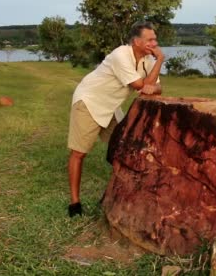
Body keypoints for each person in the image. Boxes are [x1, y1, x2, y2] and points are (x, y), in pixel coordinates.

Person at [67, 21, 163, 217]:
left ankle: (123, 191)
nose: (155, 43)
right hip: (89, 101)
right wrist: (160, 60)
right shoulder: (121, 54)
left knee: (124, 146)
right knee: (79, 153)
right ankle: (75, 203)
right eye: (150, 39)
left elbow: (156, 88)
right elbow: (140, 86)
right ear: (136, 41)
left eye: (155, 39)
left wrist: (152, 81)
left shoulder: (147, 60)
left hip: (110, 106)